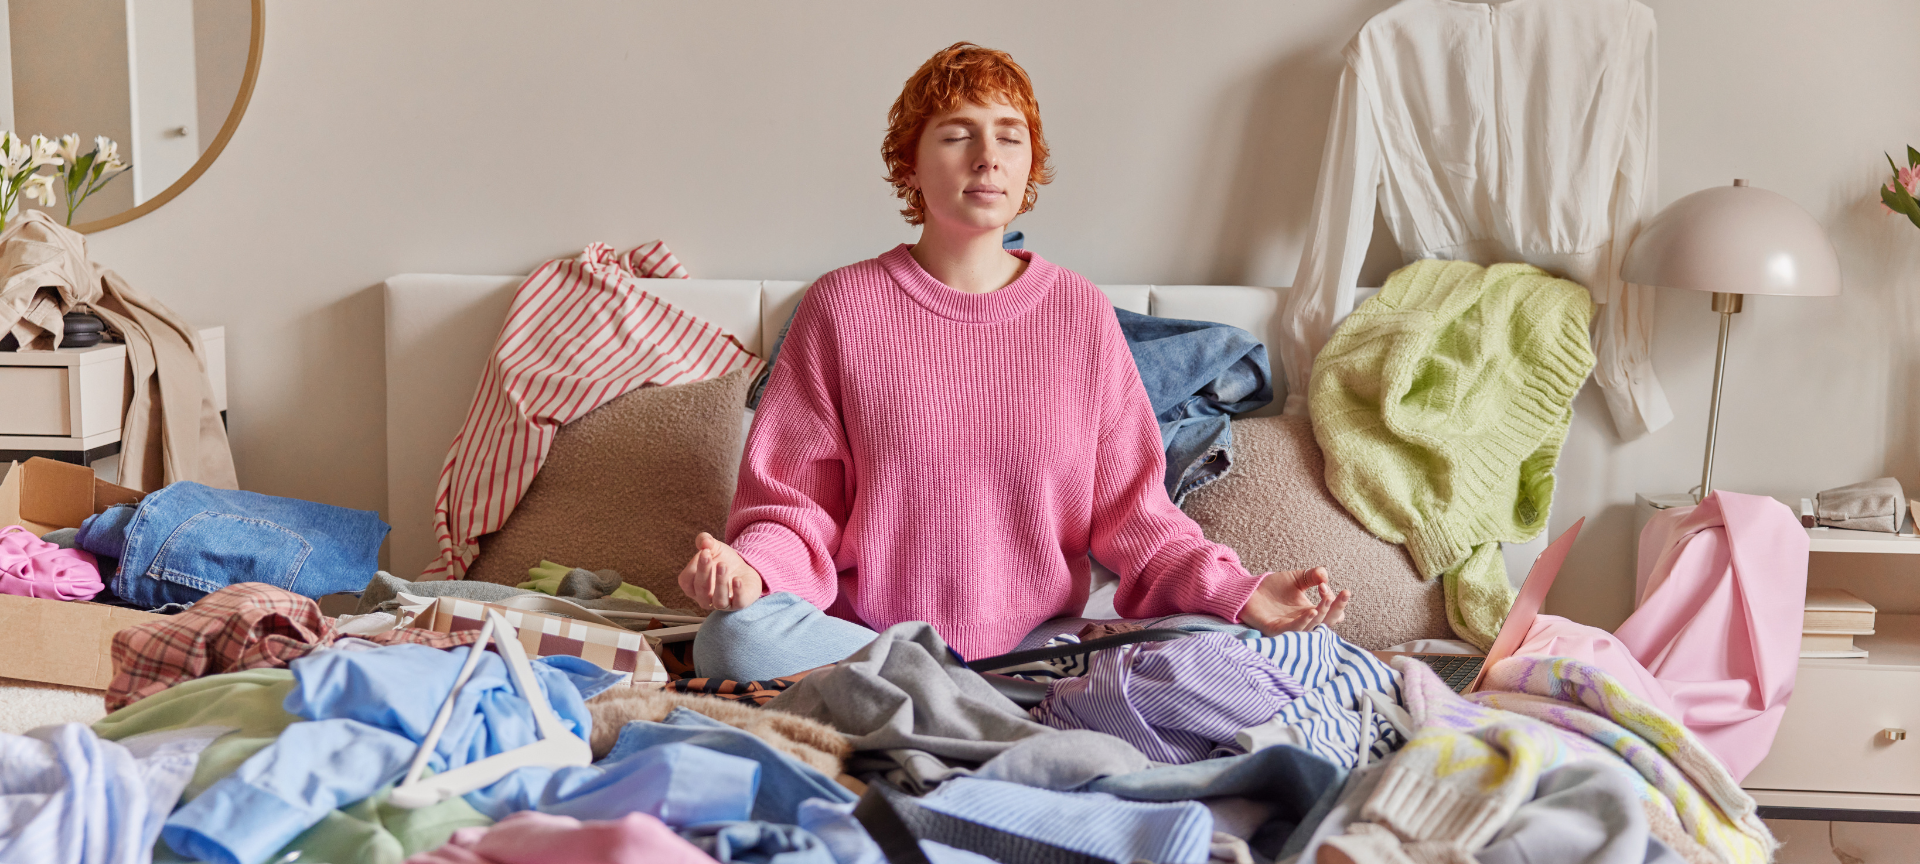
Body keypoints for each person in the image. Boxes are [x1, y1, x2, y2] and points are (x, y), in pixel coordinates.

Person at [680, 42, 1352, 682]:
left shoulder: (1079, 314)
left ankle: (954, 696)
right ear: (908, 164)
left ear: (1031, 164)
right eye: (956, 134)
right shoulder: (841, 308)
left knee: (1230, 643)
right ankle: (974, 695)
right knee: (733, 639)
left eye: (1009, 135)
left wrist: (1243, 591)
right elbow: (797, 510)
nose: (986, 157)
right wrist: (753, 573)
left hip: (1035, 644)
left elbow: (1138, 520)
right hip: (870, 641)